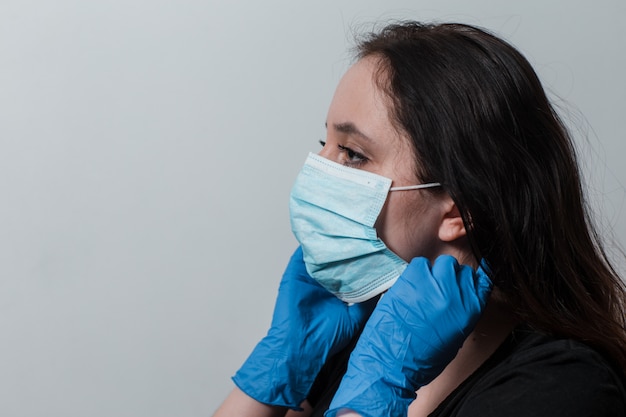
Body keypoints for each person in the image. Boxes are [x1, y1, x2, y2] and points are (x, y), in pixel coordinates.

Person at [212, 21, 626, 417]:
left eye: (353, 154)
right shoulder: (357, 339)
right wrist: (278, 365)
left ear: (457, 210)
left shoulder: (560, 390)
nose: (318, 170)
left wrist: (377, 393)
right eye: (326, 143)